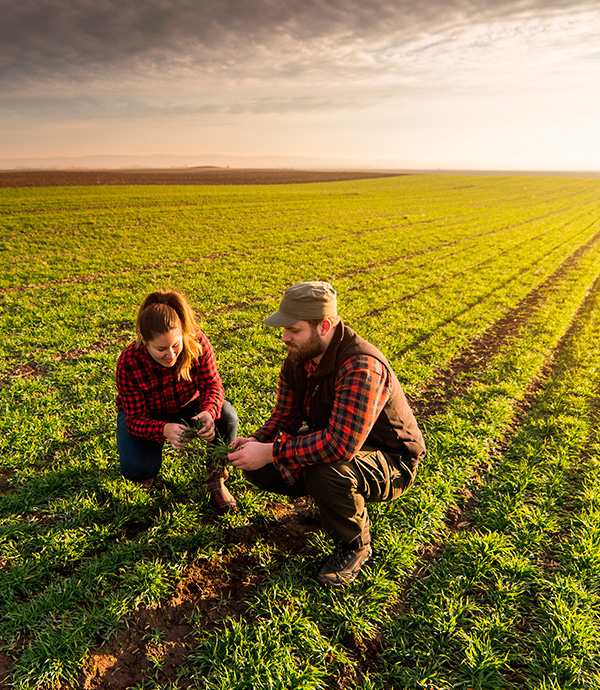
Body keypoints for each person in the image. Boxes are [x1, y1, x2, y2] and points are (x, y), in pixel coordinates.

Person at [228, 281, 425, 586]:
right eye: (284, 329)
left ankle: (355, 545)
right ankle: (330, 508)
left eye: (294, 329)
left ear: (325, 326)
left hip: (391, 460)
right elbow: (284, 417)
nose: (285, 338)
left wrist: (270, 452)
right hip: (342, 444)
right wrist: (256, 442)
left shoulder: (361, 366)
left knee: (326, 470)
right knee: (264, 467)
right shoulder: (298, 360)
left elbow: (340, 445)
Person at [116, 290, 238, 513]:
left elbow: (213, 385)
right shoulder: (128, 361)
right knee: (136, 469)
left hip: (187, 404)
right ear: (144, 341)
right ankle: (147, 471)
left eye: (175, 345)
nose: (171, 355)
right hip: (148, 415)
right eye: (161, 349)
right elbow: (133, 419)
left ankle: (216, 477)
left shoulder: (197, 342)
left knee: (227, 417)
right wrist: (164, 429)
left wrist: (209, 412)